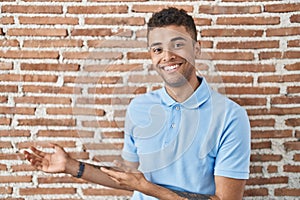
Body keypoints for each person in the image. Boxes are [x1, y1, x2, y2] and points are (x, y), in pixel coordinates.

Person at [24, 7, 251, 200]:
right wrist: (71, 167)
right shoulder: (138, 106)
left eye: (178, 44)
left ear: (196, 49)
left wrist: (148, 189)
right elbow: (128, 178)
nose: (167, 56)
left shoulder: (230, 116)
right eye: (158, 49)